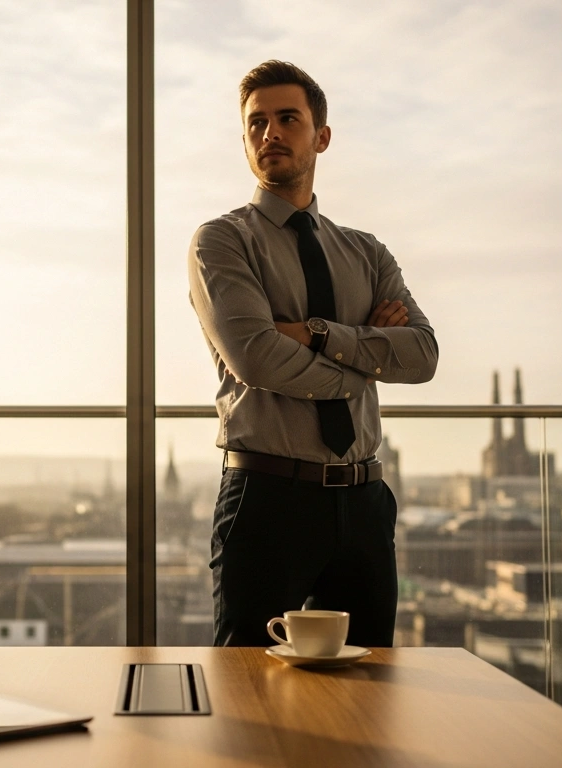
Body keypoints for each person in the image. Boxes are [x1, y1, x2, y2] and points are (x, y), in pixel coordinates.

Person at [188, 60, 439, 649]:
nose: (269, 133)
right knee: (248, 687)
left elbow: (423, 355)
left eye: (287, 119)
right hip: (268, 499)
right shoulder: (223, 241)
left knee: (368, 691)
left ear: (321, 137)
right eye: (256, 123)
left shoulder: (367, 253)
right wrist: (366, 364)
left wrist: (320, 333)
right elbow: (257, 358)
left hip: (365, 501)